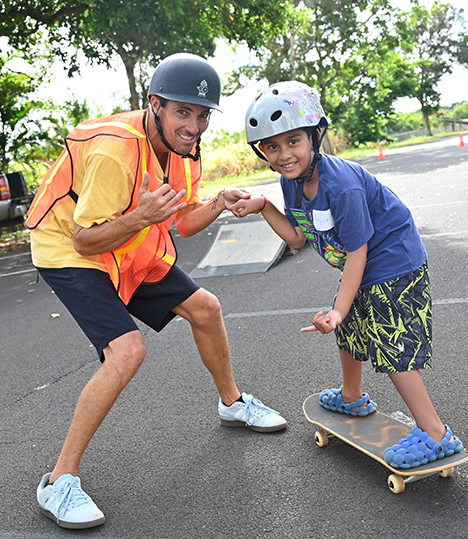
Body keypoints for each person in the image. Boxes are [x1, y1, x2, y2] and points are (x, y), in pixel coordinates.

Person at [25, 54, 286, 530]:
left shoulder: (186, 150)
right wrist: (142, 218)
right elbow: (86, 240)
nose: (194, 125)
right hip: (69, 249)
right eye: (183, 112)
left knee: (205, 308)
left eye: (203, 115)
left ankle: (232, 404)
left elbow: (182, 222)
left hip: (126, 238)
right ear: (155, 104)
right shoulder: (114, 151)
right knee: (127, 351)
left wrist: (218, 205)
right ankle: (58, 482)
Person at [231, 80, 463, 470]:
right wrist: (262, 207)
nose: (284, 154)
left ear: (315, 136)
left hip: (393, 261)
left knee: (393, 347)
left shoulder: (342, 187)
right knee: (351, 329)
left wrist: (338, 308)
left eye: (293, 141)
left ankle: (437, 434)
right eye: (272, 146)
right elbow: (297, 236)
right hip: (366, 266)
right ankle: (352, 397)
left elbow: (358, 253)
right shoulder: (291, 183)